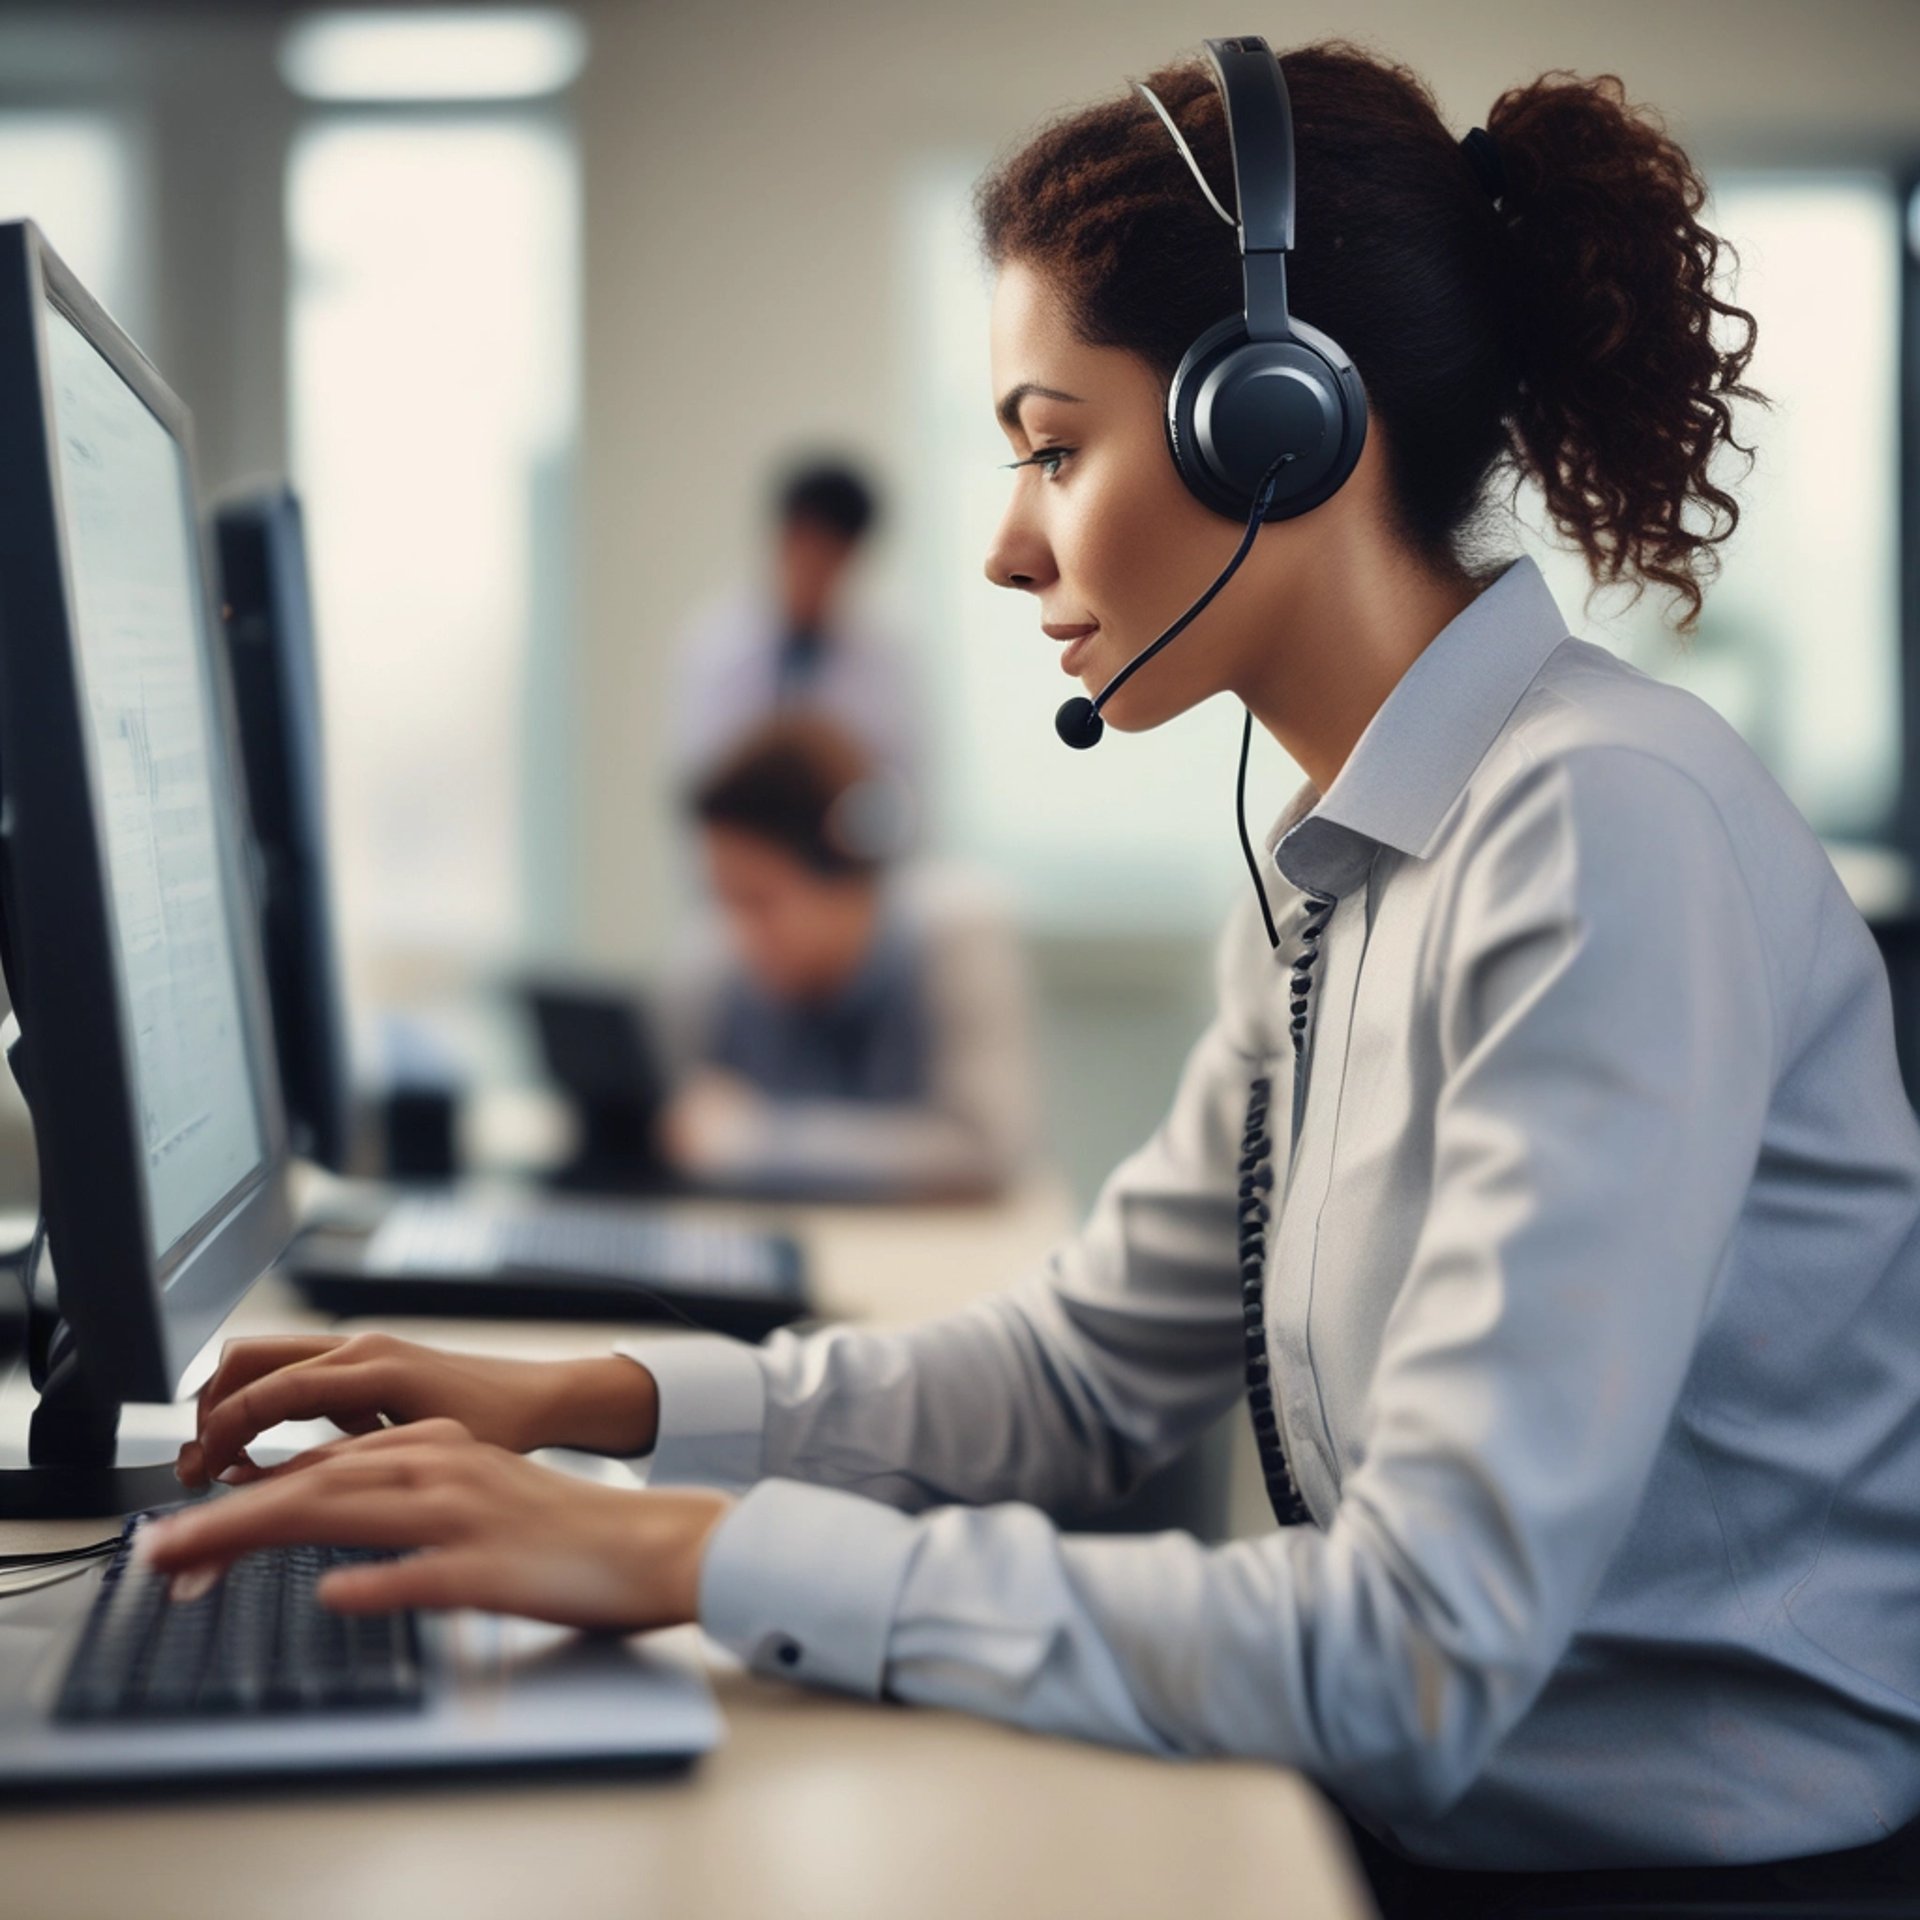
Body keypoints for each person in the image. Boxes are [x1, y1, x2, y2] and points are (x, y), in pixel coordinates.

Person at [151, 39, 1920, 1915]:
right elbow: (1084, 1372)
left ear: (1282, 422)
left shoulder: (1600, 836)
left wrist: (688, 1561)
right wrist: (584, 1403)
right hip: (1448, 1839)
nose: (1005, 547)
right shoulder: (1340, 857)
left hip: (1688, 1886)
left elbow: (1421, 1647)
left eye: (1056, 447)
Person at [659, 712, 1034, 1198]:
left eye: (758, 901)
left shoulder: (955, 937)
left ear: (848, 878)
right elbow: (676, 1127)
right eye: (721, 899)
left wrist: (764, 1142)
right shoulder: (714, 964)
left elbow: (986, 1151)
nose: (736, 933)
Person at [670, 456, 927, 792]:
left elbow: (910, 802)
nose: (814, 572)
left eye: (832, 556)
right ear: (781, 538)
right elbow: (697, 792)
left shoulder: (888, 662)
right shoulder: (716, 650)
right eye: (806, 549)